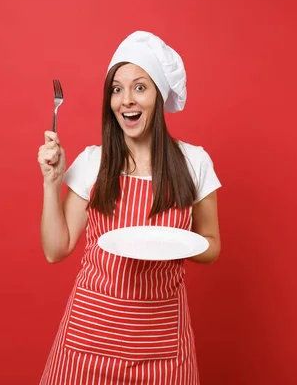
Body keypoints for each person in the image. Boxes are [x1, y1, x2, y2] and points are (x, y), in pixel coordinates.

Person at [38, 30, 221, 384]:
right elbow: (55, 250)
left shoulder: (194, 162)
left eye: (139, 87)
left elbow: (212, 245)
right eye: (117, 89)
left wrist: (176, 243)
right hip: (88, 342)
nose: (126, 100)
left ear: (159, 94)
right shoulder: (94, 161)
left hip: (161, 346)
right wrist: (51, 181)